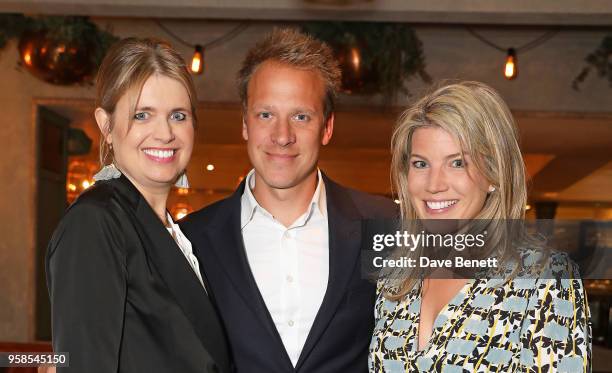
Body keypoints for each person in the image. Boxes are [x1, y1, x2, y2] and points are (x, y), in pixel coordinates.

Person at [180, 28, 397, 372]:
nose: (282, 136)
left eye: (301, 116)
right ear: (245, 125)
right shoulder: (190, 240)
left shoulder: (385, 224)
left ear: (326, 128)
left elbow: (481, 286)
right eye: (266, 115)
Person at [368, 81, 591, 372]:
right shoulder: (395, 277)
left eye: (457, 163)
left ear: (493, 174)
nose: (434, 185)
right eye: (421, 164)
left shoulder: (544, 277)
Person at [45, 38, 230, 373]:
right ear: (106, 126)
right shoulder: (96, 222)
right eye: (142, 115)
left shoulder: (178, 233)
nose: (164, 133)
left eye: (178, 115)